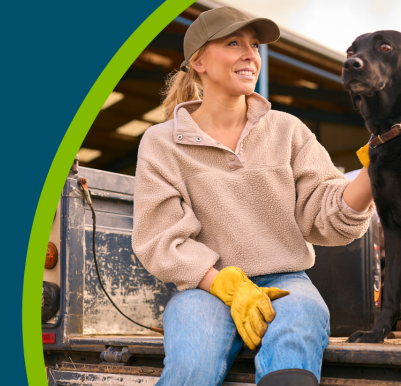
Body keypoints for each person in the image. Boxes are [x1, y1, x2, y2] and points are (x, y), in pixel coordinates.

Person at [131, 7, 374, 386]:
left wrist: (379, 166)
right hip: (205, 288)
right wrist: (223, 284)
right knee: (192, 364)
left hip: (288, 282)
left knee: (295, 341)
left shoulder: (288, 130)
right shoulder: (161, 143)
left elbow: (325, 216)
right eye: (233, 43)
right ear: (198, 61)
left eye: (255, 45)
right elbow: (160, 238)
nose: (250, 54)